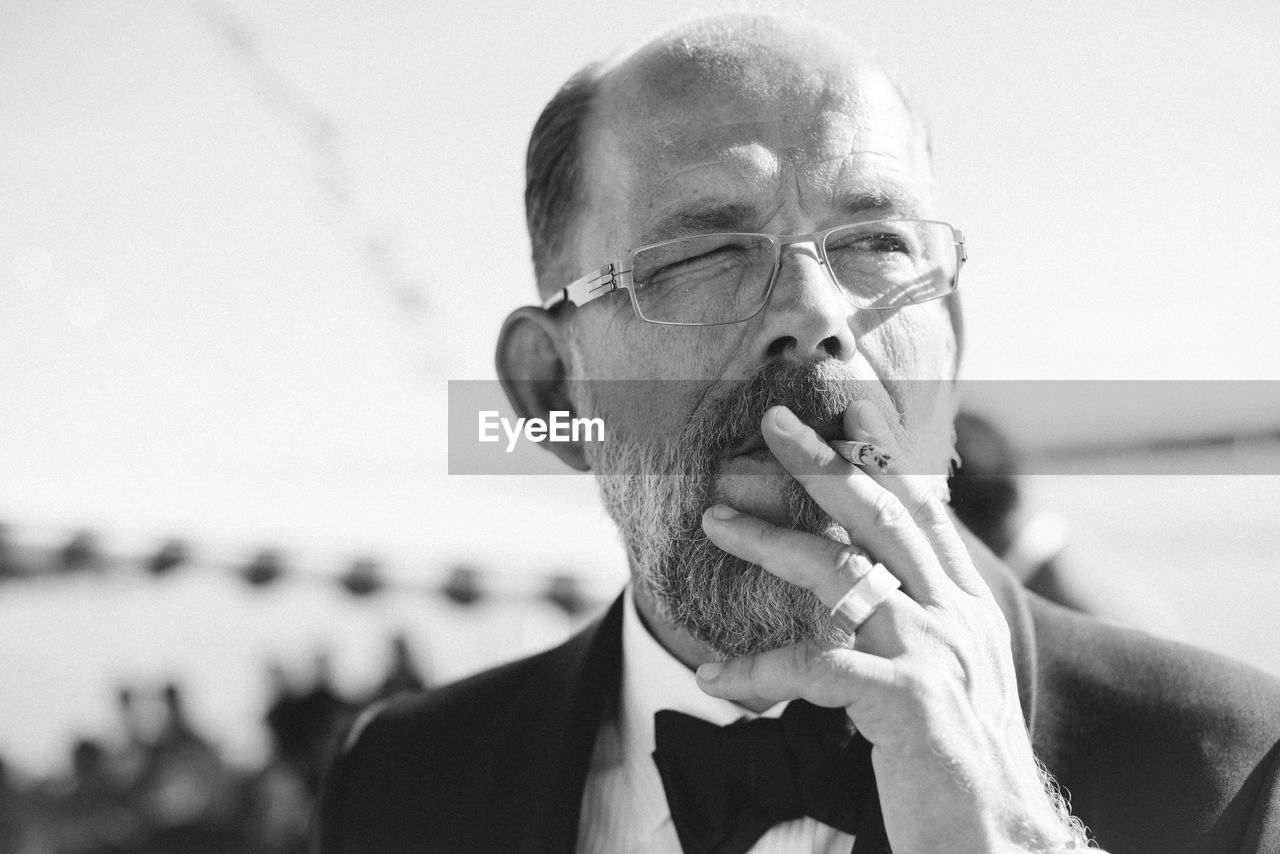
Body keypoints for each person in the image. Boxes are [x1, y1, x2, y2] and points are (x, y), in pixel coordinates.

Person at [316, 12, 1280, 854]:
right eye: (705, 253)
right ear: (552, 389)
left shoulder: (1232, 770)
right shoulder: (403, 780)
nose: (816, 311)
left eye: (875, 244)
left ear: (945, 349)